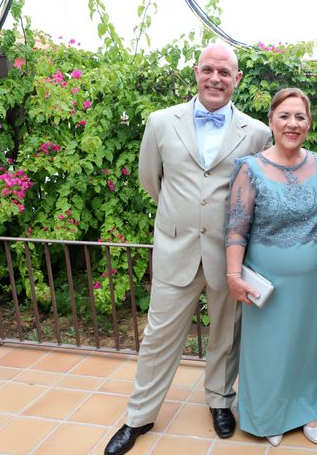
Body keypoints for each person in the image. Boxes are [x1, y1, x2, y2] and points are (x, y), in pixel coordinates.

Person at [104, 43, 272, 455]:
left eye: (224, 72)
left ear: (237, 79)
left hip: (229, 256)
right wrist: (182, 221)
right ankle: (139, 416)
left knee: (226, 336)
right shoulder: (161, 123)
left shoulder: (257, 133)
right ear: (196, 74)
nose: (215, 78)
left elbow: (257, 193)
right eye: (208, 70)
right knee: (159, 336)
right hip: (176, 249)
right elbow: (151, 180)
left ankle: (219, 400)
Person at [224, 87, 317, 447]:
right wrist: (233, 276)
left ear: (309, 123)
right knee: (270, 350)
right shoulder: (250, 168)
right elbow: (236, 227)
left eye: (300, 117)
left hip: (311, 279)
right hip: (266, 283)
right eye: (284, 115)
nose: (292, 123)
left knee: (308, 346)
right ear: (271, 120)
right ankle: (270, 413)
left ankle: (309, 409)